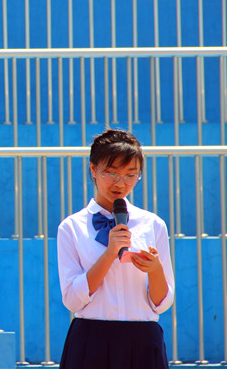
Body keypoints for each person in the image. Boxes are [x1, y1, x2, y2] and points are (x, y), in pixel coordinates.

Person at [56, 128, 175, 369]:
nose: (121, 183)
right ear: (93, 170)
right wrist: (110, 253)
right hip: (91, 341)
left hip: (143, 341)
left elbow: (162, 302)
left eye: (131, 175)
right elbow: (72, 300)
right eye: (111, 173)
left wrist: (155, 269)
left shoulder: (153, 224)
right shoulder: (71, 227)